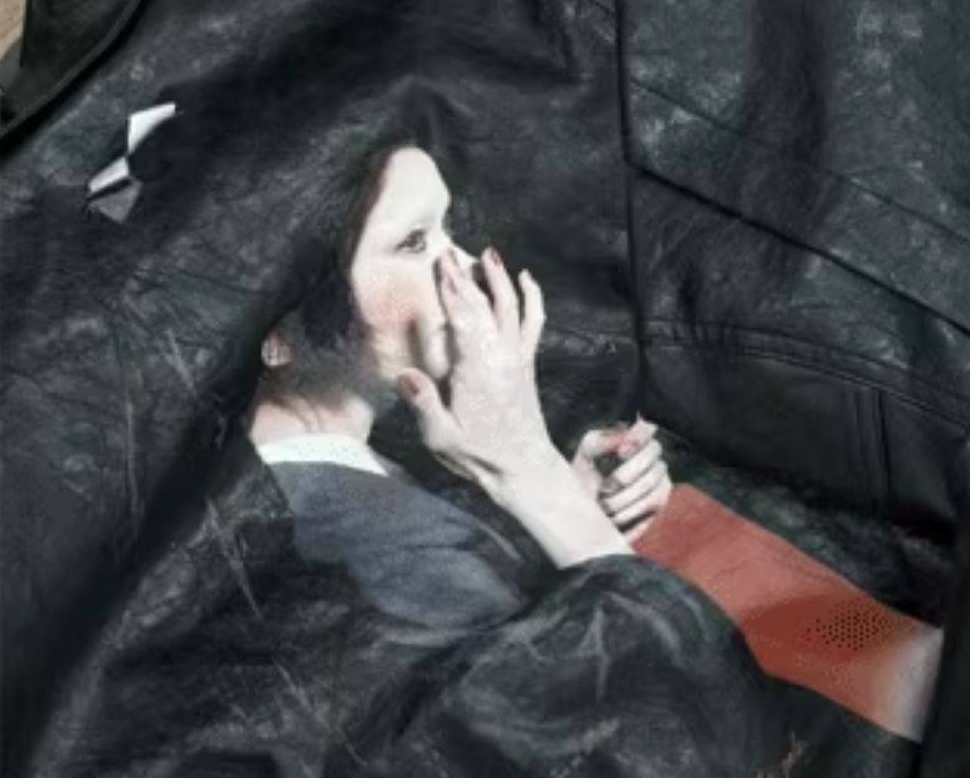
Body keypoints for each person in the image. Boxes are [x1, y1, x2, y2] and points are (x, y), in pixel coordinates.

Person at [247, 133, 667, 639]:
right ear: (279, 334)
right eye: (413, 243)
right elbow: (667, 669)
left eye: (445, 229)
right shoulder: (371, 531)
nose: (468, 266)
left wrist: (570, 507)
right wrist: (534, 473)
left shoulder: (325, 465)